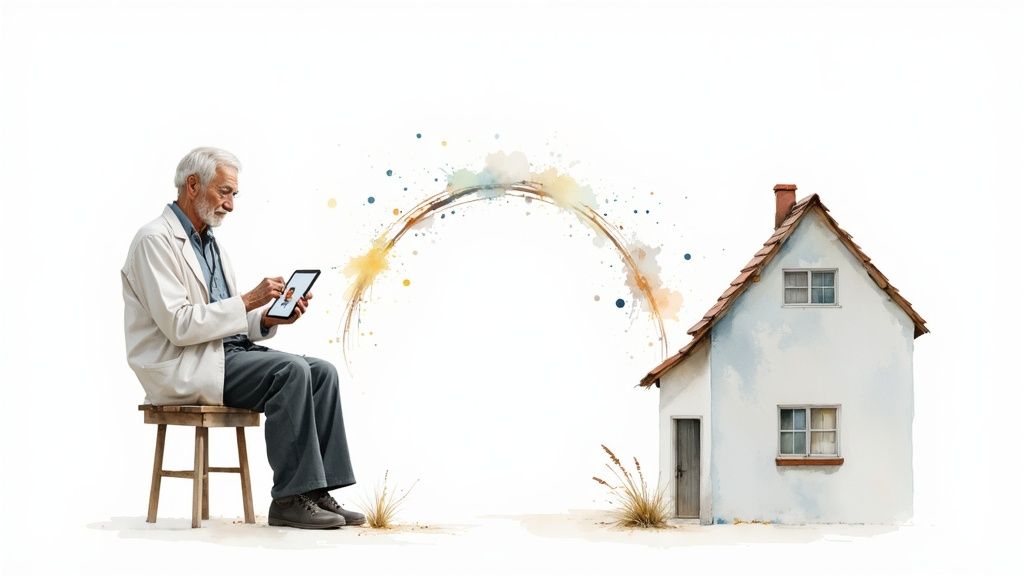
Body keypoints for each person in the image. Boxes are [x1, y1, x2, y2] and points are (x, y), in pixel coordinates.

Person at [121, 147, 364, 530]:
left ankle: (317, 492)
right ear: (193, 184)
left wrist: (266, 317)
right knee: (291, 370)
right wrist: (249, 298)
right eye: (225, 192)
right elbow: (180, 326)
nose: (231, 205)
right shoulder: (154, 241)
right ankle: (288, 499)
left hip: (222, 354)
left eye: (234, 194)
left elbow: (224, 319)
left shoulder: (210, 244)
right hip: (182, 365)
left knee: (322, 372)